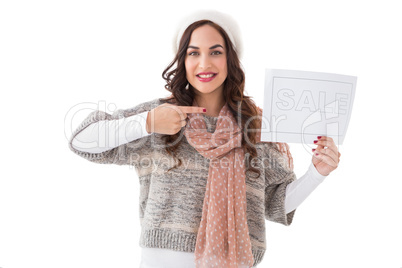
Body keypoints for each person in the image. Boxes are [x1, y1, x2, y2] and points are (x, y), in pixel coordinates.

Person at [68, 10, 340, 268]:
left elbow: (274, 203)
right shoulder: (160, 117)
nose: (204, 63)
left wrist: (316, 173)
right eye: (193, 53)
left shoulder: (257, 127)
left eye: (216, 52)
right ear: (183, 61)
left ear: (230, 59)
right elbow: (81, 140)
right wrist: (148, 122)